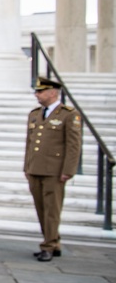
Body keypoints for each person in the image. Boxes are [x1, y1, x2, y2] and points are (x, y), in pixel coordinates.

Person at [24, 77, 83, 262]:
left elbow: (73, 145)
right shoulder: (34, 114)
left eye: (40, 91)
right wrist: (27, 166)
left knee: (52, 210)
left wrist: (68, 170)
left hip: (54, 171)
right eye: (36, 91)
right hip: (35, 169)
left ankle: (48, 246)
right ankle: (53, 242)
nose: (37, 94)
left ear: (53, 93)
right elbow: (29, 143)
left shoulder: (68, 114)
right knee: (41, 208)